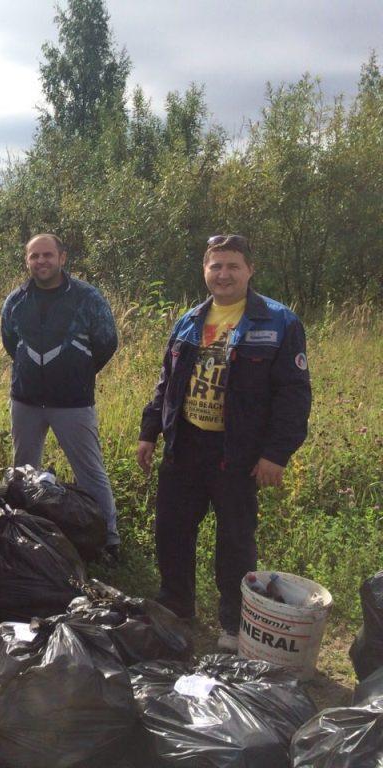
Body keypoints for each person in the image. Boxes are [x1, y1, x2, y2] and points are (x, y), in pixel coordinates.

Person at [137, 234, 312, 651]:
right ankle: (177, 604)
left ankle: (233, 624)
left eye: (233, 265)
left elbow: (294, 394)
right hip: (187, 444)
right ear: (205, 271)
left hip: (238, 453)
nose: (224, 274)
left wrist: (276, 453)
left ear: (250, 270)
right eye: (216, 266)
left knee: (234, 539)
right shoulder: (189, 321)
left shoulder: (279, 322)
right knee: (172, 530)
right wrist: (149, 431)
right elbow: (167, 382)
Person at [0, 233, 120, 561]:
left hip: (73, 403)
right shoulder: (16, 300)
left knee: (90, 471)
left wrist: (77, 372)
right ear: (27, 261)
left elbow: (107, 342)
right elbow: (11, 342)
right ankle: (21, 531)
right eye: (34, 256)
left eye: (47, 255)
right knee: (23, 471)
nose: (41, 261)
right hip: (25, 400)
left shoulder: (87, 297)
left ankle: (108, 537)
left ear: (62, 258)